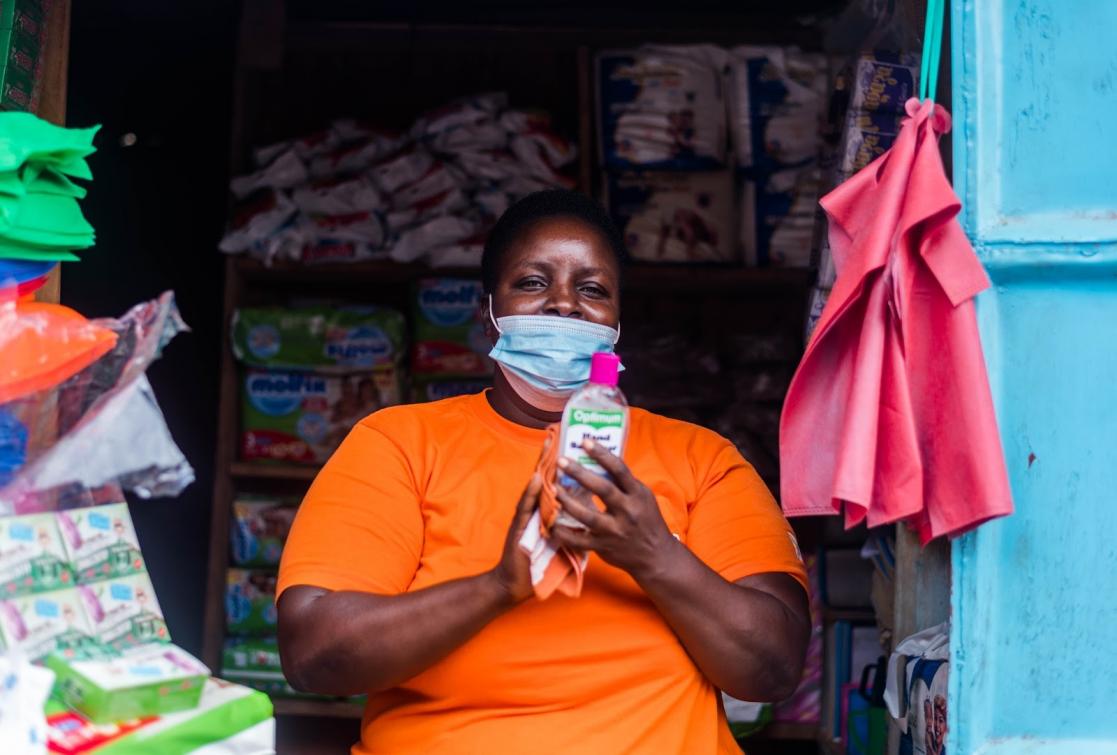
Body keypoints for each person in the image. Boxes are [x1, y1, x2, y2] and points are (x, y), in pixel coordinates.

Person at [277, 190, 810, 754]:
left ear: (616, 325)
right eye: (533, 282)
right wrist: (497, 587)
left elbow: (772, 670)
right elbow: (313, 656)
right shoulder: (398, 444)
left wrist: (656, 554)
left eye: (592, 289)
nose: (564, 304)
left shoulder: (701, 459)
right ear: (489, 318)